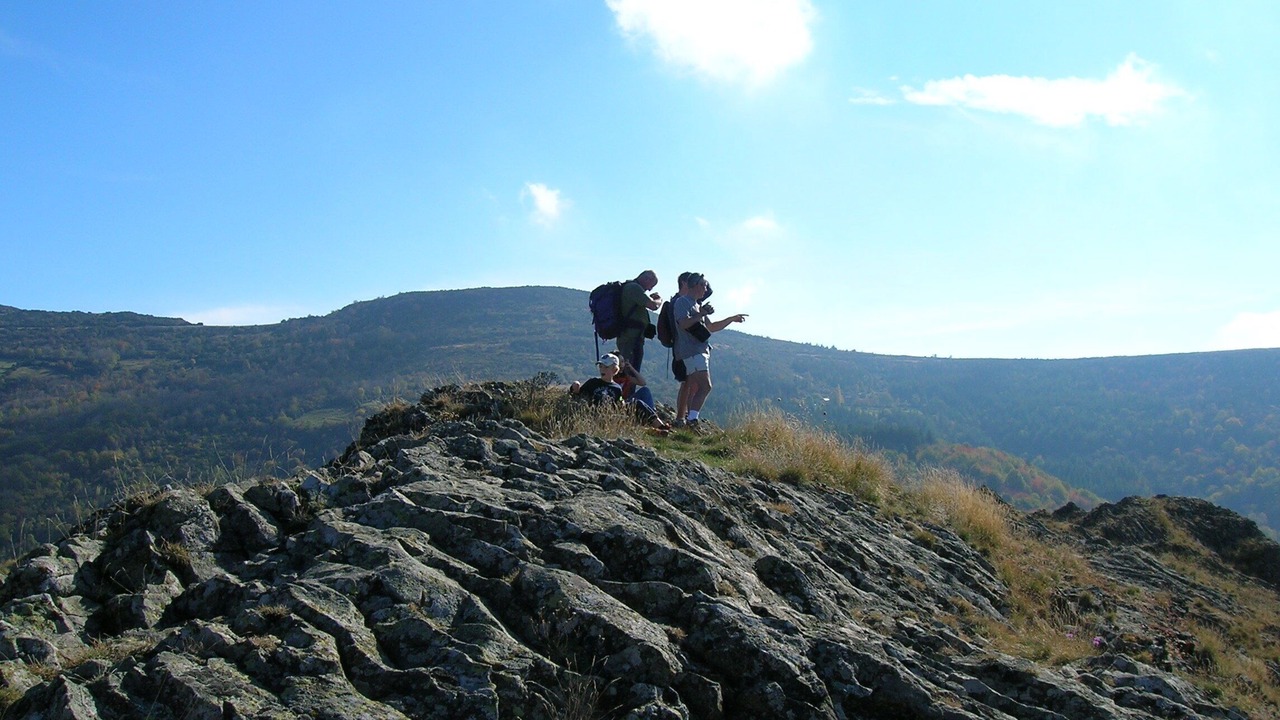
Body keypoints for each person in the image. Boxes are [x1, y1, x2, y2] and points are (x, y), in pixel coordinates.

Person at [672, 272, 746, 432]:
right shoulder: (682, 302)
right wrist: (701, 314)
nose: (706, 289)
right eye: (704, 285)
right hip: (692, 351)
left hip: (699, 351)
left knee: (696, 387)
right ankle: (692, 420)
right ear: (696, 285)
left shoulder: (696, 305)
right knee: (706, 386)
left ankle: (688, 422)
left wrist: (731, 319)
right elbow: (683, 323)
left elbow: (711, 327)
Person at [569, 353, 669, 431]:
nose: (602, 369)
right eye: (601, 366)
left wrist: (623, 405)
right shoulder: (593, 382)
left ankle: (660, 426)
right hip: (598, 415)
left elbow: (619, 403)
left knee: (637, 403)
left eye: (606, 367)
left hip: (613, 415)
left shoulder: (616, 388)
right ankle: (649, 429)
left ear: (614, 369)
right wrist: (575, 387)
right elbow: (577, 395)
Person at [616, 270, 662, 371]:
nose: (650, 289)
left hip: (631, 337)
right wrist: (659, 300)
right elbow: (653, 306)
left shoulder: (630, 288)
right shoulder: (634, 288)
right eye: (651, 285)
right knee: (630, 371)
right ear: (646, 279)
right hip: (631, 338)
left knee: (630, 370)